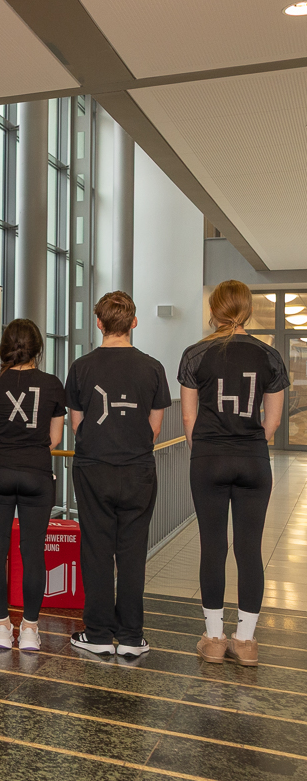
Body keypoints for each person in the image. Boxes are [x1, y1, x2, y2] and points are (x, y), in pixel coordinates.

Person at [179, 280, 287, 666]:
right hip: (253, 459)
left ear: (214, 310)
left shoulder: (195, 354)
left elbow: (188, 418)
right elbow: (273, 421)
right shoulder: (269, 355)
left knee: (213, 545)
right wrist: (250, 445)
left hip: (209, 457)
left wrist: (205, 450)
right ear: (248, 310)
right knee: (249, 548)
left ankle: (213, 639)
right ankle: (245, 642)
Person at [66, 291, 170, 656]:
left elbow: (76, 424)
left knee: (96, 550)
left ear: (99, 323)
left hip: (93, 468)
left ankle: (97, 635)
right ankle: (130, 637)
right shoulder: (153, 367)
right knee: (132, 551)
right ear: (134, 322)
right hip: (138, 468)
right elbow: (155, 427)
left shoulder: (81, 367)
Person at [0, 319, 66, 651]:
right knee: (32, 552)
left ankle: (1, 627)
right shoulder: (52, 384)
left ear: (5, 347)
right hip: (36, 473)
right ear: (38, 349)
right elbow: (54, 439)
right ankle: (29, 629)